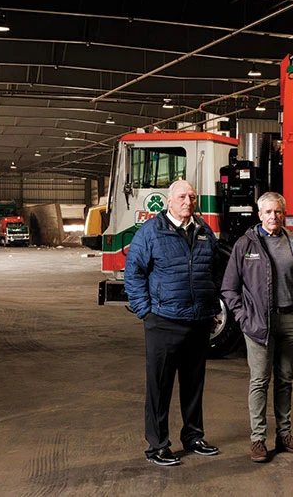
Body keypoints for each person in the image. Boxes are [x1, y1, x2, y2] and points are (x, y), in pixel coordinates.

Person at [124, 179, 221, 467]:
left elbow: (215, 270)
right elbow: (134, 273)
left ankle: (193, 437)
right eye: (182, 196)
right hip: (163, 321)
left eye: (192, 196)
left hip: (198, 320)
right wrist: (146, 312)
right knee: (159, 386)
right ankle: (157, 446)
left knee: (193, 384)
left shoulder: (204, 231)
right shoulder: (151, 232)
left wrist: (211, 305)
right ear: (169, 200)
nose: (188, 201)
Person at [222, 192, 293, 463]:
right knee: (260, 381)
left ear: (284, 214)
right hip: (259, 323)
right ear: (259, 215)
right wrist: (242, 316)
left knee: (285, 381)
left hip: (289, 320)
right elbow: (229, 287)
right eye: (268, 212)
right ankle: (258, 440)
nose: (273, 216)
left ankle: (284, 435)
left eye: (278, 212)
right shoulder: (245, 244)